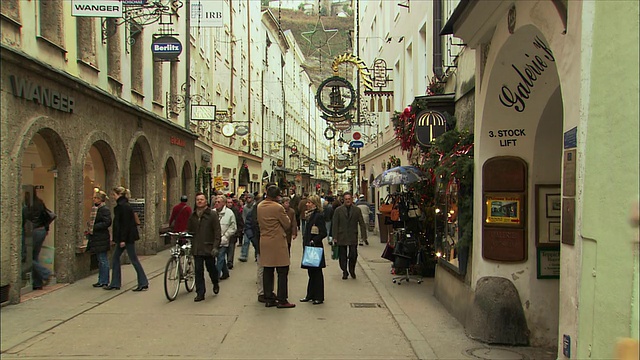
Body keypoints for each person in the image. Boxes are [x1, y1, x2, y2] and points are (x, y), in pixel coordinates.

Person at [105, 187, 149, 291]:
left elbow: (125, 225)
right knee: (117, 258)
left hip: (126, 238)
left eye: (114, 195)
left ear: (119, 194)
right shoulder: (124, 206)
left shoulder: (123, 207)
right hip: (125, 237)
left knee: (132, 259)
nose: (113, 197)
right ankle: (116, 283)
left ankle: (142, 282)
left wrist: (122, 240)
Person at [258, 185, 295, 308]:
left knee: (268, 270)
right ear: (277, 196)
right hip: (278, 241)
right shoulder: (278, 208)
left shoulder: (260, 206)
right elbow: (287, 224)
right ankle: (282, 299)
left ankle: (268, 297)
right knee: (282, 271)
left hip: (265, 240)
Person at [187, 192, 222, 302]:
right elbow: (190, 230)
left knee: (211, 268)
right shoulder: (193, 216)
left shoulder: (212, 214)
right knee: (198, 270)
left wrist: (216, 246)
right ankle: (200, 293)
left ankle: (215, 282)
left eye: (201, 199)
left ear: (206, 201)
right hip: (197, 247)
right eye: (198, 200)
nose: (199, 201)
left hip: (208, 247)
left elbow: (217, 231)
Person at [332, 191, 367, 280]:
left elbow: (362, 223)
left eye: (349, 199)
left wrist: (364, 236)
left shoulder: (357, 210)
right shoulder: (338, 210)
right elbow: (335, 224)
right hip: (341, 236)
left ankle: (352, 270)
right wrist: (334, 237)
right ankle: (344, 271)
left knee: (353, 255)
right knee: (342, 255)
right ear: (343, 200)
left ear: (352, 199)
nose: (348, 201)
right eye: (346, 199)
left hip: (352, 235)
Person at [300, 195, 327, 305]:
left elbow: (323, 233)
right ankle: (310, 295)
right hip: (309, 247)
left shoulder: (318, 216)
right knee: (311, 272)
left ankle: (319, 296)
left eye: (309, 203)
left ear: (315, 205)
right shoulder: (310, 216)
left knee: (317, 272)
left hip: (315, 248)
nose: (307, 204)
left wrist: (314, 240)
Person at [86, 190, 112, 288]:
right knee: (100, 260)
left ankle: (104, 281)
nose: (93, 199)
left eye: (95, 198)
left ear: (100, 199)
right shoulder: (95, 209)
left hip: (101, 237)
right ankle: (101, 280)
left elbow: (107, 222)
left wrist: (95, 227)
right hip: (97, 237)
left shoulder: (104, 209)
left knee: (103, 259)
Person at [28, 193, 54, 290]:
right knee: (34, 256)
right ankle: (38, 283)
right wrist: (46, 230)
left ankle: (45, 273)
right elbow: (45, 216)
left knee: (27, 257)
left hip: (34, 231)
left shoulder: (29, 205)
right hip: (41, 230)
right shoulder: (40, 203)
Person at [213, 195, 236, 280]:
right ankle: (225, 273)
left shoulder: (229, 213)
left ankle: (216, 276)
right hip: (214, 240)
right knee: (219, 258)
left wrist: (226, 236)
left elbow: (233, 227)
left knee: (220, 257)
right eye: (215, 202)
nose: (216, 203)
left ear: (223, 203)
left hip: (223, 240)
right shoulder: (212, 212)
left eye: (219, 202)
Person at [225, 197, 243, 269]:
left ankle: (230, 262)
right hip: (224, 233)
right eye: (228, 202)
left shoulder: (235, 210)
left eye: (231, 203)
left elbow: (239, 221)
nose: (229, 204)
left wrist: (239, 231)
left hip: (233, 233)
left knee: (231, 248)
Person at [239, 193, 256, 262]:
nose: (248, 199)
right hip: (247, 226)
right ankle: (244, 255)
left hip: (254, 226)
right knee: (245, 241)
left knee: (255, 242)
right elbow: (243, 216)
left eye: (250, 197)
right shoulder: (245, 207)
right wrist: (244, 225)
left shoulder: (255, 206)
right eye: (247, 198)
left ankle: (257, 256)